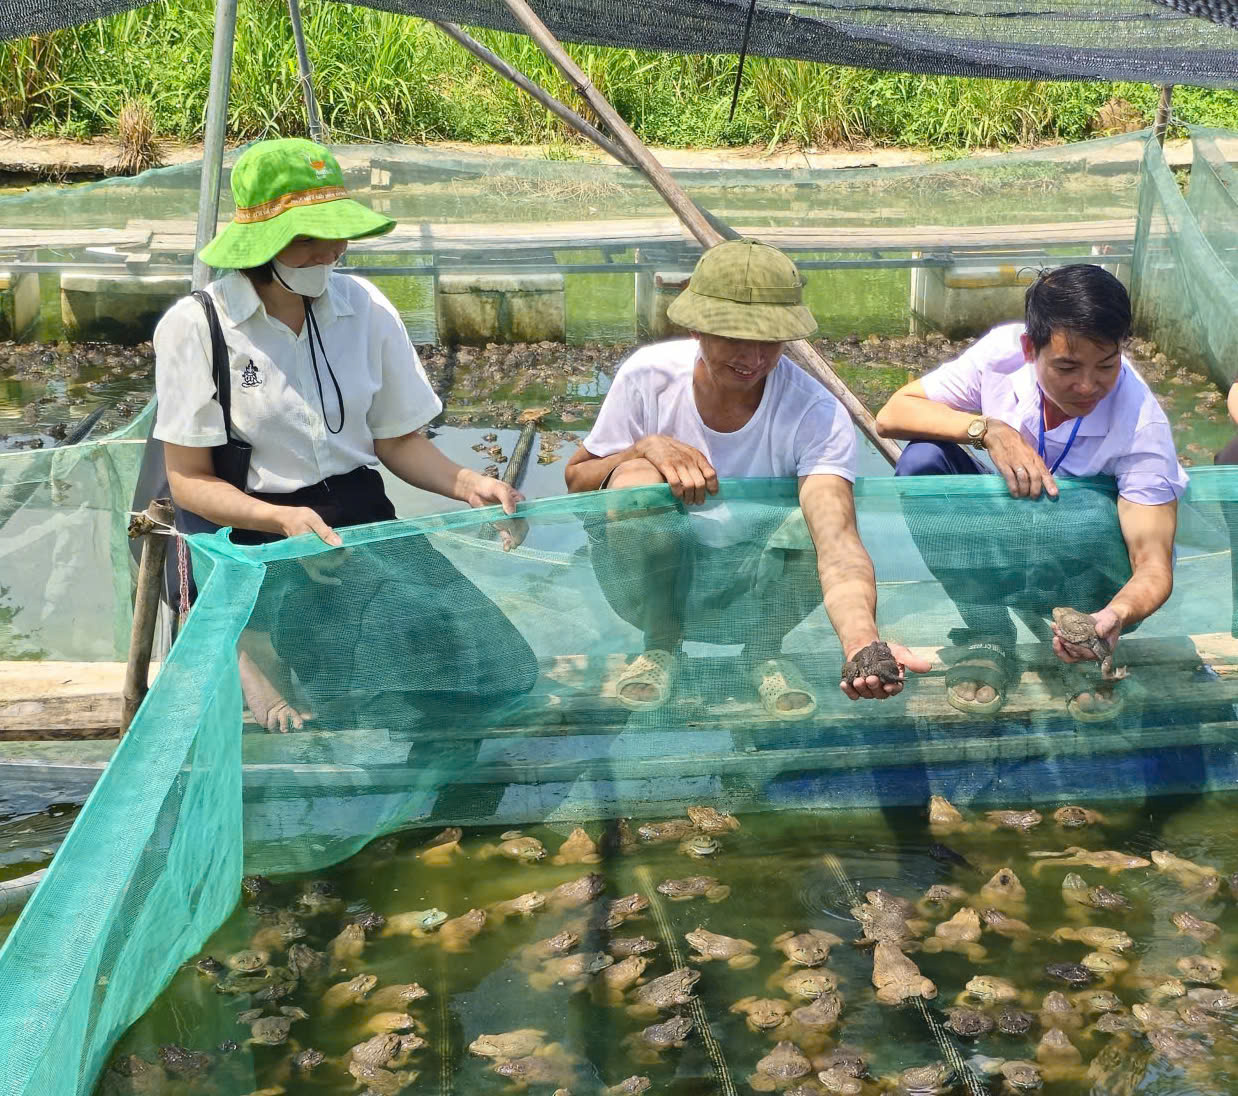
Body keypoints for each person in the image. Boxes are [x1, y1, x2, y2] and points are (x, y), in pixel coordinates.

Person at [153, 137, 537, 732]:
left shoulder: (364, 307)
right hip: (251, 527)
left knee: (487, 659)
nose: (331, 250)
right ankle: (249, 649)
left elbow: (397, 442)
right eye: (307, 238)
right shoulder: (197, 326)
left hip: (353, 508)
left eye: (336, 232)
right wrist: (281, 522)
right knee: (341, 691)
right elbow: (189, 482)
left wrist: (467, 483)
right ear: (260, 244)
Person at [564, 238, 929, 716]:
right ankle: (660, 646)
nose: (753, 357)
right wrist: (641, 448)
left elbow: (837, 541)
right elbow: (576, 480)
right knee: (634, 480)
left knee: (810, 523)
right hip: (656, 579)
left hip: (759, 580)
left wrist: (863, 644)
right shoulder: (647, 378)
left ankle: (763, 650)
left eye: (770, 341)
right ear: (698, 328)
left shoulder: (815, 413)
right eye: (734, 337)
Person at [875, 264, 1187, 721]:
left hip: (1093, 582)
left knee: (1088, 515)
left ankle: (1081, 651)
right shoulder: (1001, 354)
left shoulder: (1141, 425)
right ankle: (988, 635)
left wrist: (1113, 617)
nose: (1087, 386)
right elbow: (892, 413)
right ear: (1029, 348)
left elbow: (1153, 566)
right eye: (1066, 367)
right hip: (1010, 552)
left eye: (1106, 366)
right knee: (922, 462)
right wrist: (986, 428)